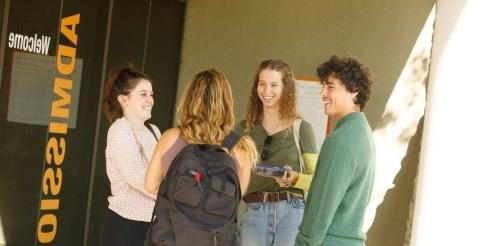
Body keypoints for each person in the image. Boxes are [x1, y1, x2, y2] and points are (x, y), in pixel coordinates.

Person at [295, 55, 376, 246]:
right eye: (323, 86)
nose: (323, 93)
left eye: (330, 87)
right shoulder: (362, 133)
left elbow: (320, 209)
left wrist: (301, 243)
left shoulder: (340, 141)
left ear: (354, 91)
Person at [236, 59, 318, 246]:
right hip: (254, 211)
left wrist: (295, 178)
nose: (266, 91)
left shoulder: (302, 129)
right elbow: (223, 162)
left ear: (285, 89)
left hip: (291, 212)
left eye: (274, 85)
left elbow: (316, 178)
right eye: (262, 84)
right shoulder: (242, 129)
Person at [145, 68, 258, 202]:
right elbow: (233, 202)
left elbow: (150, 186)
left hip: (175, 220)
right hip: (215, 222)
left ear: (189, 100)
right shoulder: (242, 149)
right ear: (227, 103)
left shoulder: (171, 137)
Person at [101, 66, 161, 246]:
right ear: (123, 100)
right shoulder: (120, 130)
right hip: (126, 225)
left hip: (153, 224)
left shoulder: (154, 131)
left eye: (151, 94)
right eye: (143, 94)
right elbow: (139, 179)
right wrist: (176, 196)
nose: (150, 100)